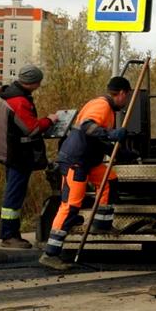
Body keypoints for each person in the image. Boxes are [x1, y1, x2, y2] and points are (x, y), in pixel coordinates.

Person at [39, 76, 132, 270]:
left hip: (90, 161)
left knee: (109, 181)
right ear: (122, 93)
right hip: (76, 162)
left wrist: (123, 153)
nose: (127, 101)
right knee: (71, 206)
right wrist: (111, 135)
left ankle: (102, 223)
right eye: (127, 96)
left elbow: (97, 140)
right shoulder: (102, 106)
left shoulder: (107, 109)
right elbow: (87, 127)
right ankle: (50, 253)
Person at [0, 64, 58, 249]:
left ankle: (11, 233)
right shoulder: (19, 101)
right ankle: (9, 235)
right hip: (18, 155)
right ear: (33, 82)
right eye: (38, 82)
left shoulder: (11, 95)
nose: (39, 85)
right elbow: (32, 128)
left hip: (12, 153)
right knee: (14, 195)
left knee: (14, 194)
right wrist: (50, 120)